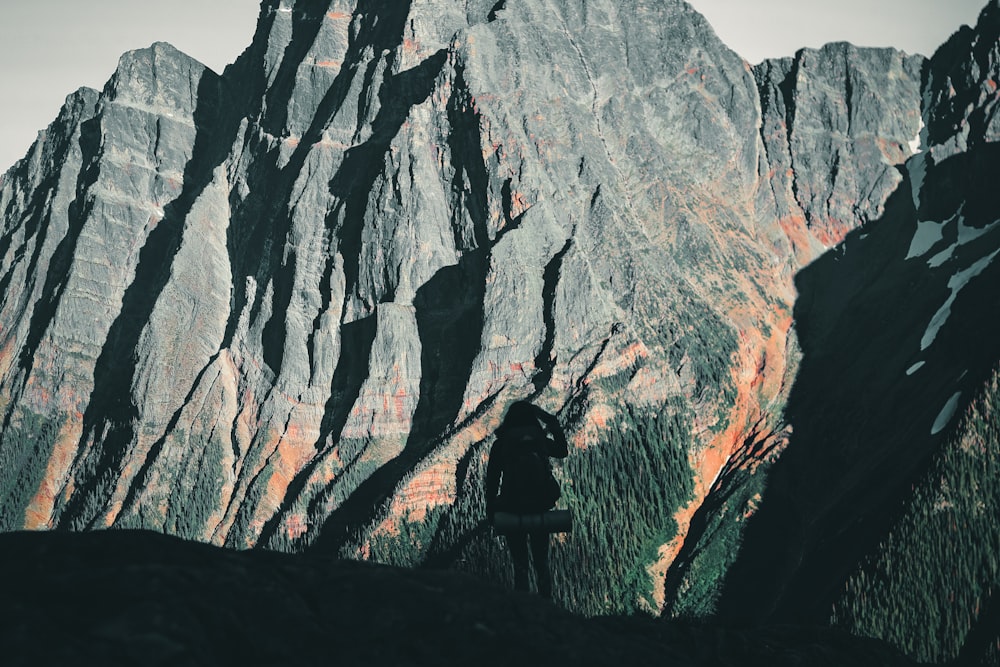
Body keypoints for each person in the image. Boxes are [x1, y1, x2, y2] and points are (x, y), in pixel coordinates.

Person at [484, 400, 568, 598]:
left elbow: (492, 480)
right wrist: (548, 419)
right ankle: (547, 607)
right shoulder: (541, 443)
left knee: (520, 564)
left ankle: (522, 609)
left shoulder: (501, 445)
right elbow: (563, 451)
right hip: (539, 506)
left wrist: (491, 509)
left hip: (511, 507)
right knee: (541, 563)